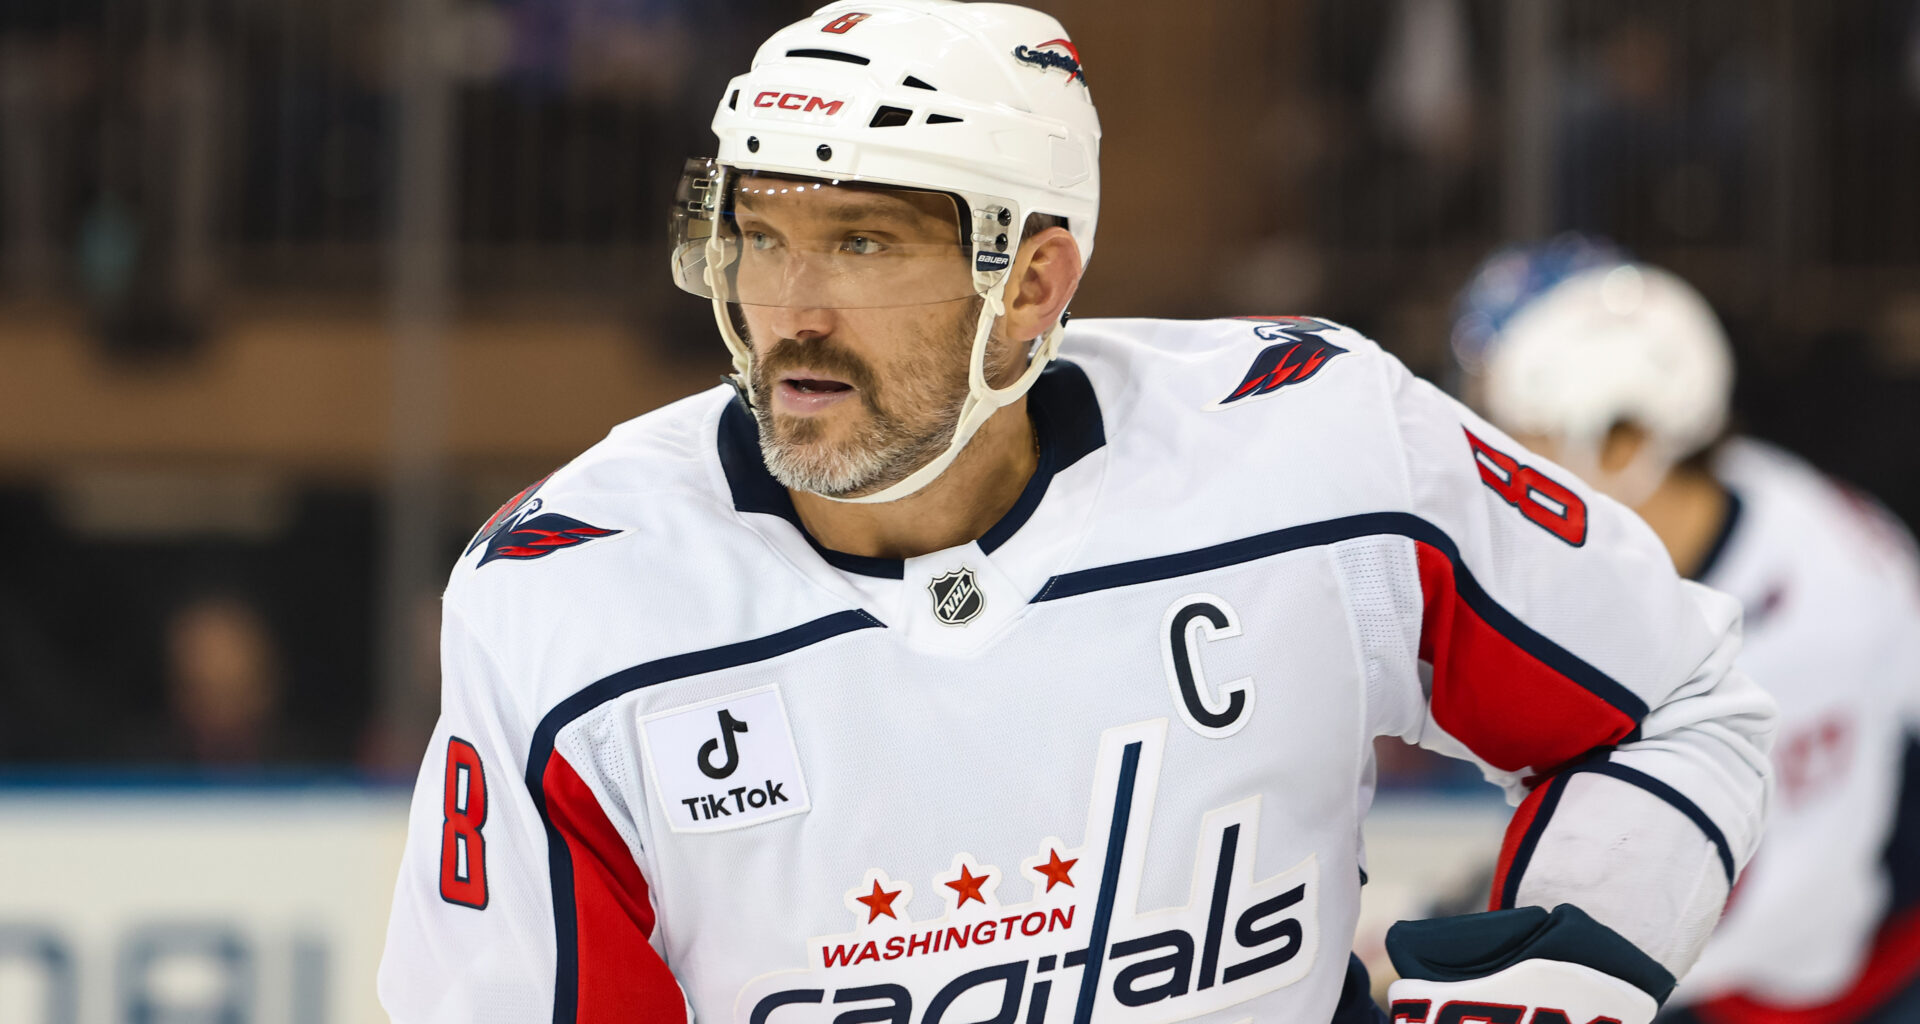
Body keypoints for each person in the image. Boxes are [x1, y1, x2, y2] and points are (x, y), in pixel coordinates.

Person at [378, 4, 1775, 1022]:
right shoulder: (568, 600)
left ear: (1035, 284)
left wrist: (1568, 959)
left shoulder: (1318, 443)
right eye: (762, 235)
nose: (786, 312)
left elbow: (1673, 706)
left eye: (862, 243)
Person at [1452, 237, 1920, 1023]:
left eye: (1512, 434)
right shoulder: (1714, 504)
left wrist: (1509, 966)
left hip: (1845, 985)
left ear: (1625, 443)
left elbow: (1790, 920)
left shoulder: (1810, 620)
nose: (1487, 467)